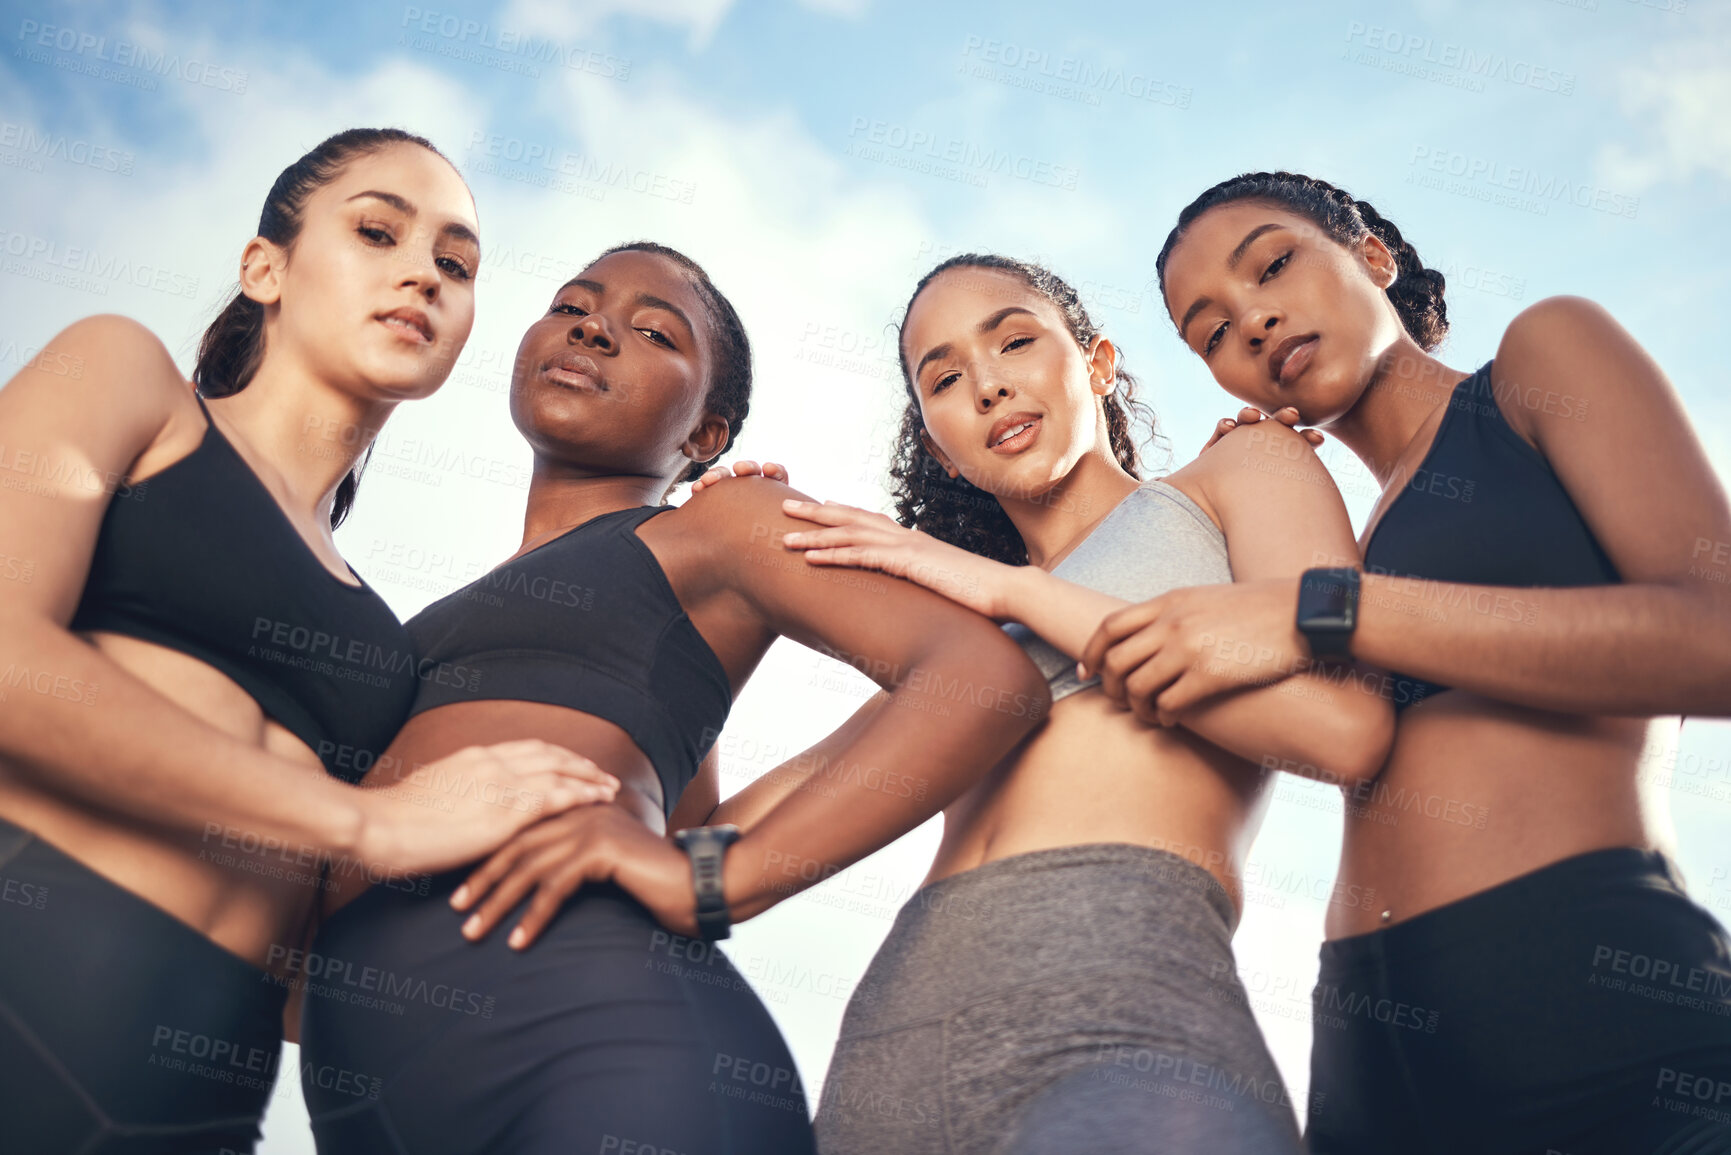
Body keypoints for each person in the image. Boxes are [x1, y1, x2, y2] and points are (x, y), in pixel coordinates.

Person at [299, 241, 1051, 1155]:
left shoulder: (720, 520)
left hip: (595, 1046)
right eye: (572, 303)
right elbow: (678, 804)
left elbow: (984, 681)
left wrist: (719, 881)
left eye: (653, 329)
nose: (593, 326)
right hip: (373, 1090)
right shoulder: (420, 621)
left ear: (705, 438)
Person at [1088, 170, 1731, 1153]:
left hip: (1599, 1008)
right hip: (1367, 1058)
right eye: (1210, 333)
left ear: (1373, 258)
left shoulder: (1536, 367)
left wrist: (1323, 610)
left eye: (1272, 265)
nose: (1252, 324)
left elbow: (1717, 640)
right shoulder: (1337, 538)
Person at [0, 127, 615, 1155]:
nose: (423, 271)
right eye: (379, 232)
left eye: (455, 266)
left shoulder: (387, 642)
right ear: (265, 268)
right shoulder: (128, 382)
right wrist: (363, 822)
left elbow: (323, 959)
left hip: (201, 1101)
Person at [694, 253, 1395, 1153]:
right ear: (937, 445)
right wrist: (716, 576)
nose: (986, 386)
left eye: (1015, 340)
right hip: (894, 1044)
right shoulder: (963, 634)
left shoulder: (1233, 474)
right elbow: (707, 850)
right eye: (943, 378)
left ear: (1097, 363)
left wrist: (1014, 592)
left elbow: (1345, 731)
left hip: (1124, 985)